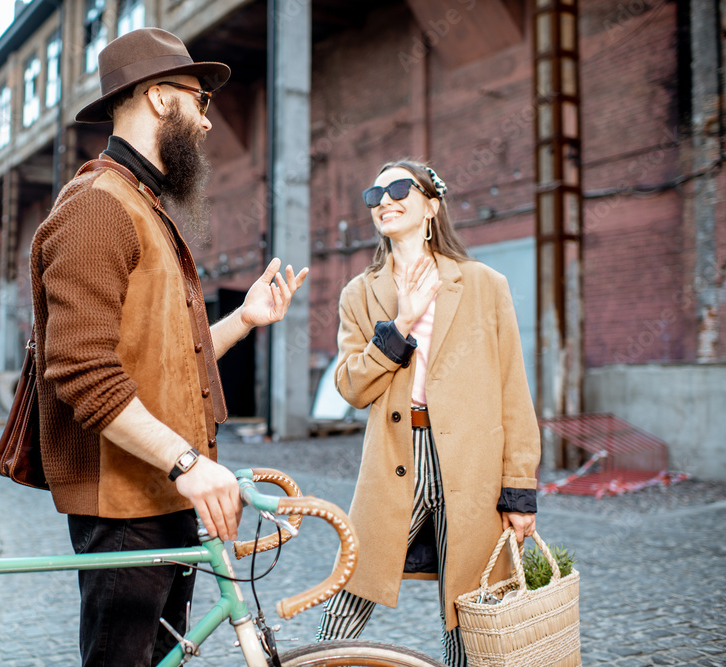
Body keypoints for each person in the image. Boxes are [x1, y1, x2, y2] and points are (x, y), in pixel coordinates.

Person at [29, 28, 308, 667]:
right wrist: (188, 463)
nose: (207, 122)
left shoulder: (140, 204)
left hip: (161, 496)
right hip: (126, 507)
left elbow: (164, 360)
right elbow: (83, 371)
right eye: (199, 99)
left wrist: (244, 319)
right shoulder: (98, 208)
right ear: (159, 98)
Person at [315, 159, 540, 666]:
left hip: (471, 464)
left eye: (399, 188)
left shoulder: (484, 284)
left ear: (431, 205)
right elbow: (350, 386)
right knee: (352, 588)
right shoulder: (359, 292)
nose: (385, 201)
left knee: (468, 606)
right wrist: (401, 323)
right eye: (375, 195)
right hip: (396, 458)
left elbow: (513, 391)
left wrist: (519, 488)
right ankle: (321, 660)